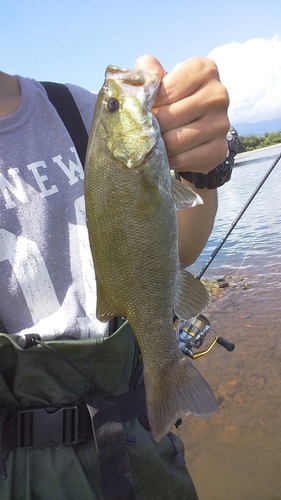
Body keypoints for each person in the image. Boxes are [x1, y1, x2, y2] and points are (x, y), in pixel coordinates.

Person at [0, 54, 232, 499]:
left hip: (134, 440)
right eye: (113, 107)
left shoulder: (75, 108)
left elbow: (180, 248)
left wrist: (205, 165)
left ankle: (168, 380)